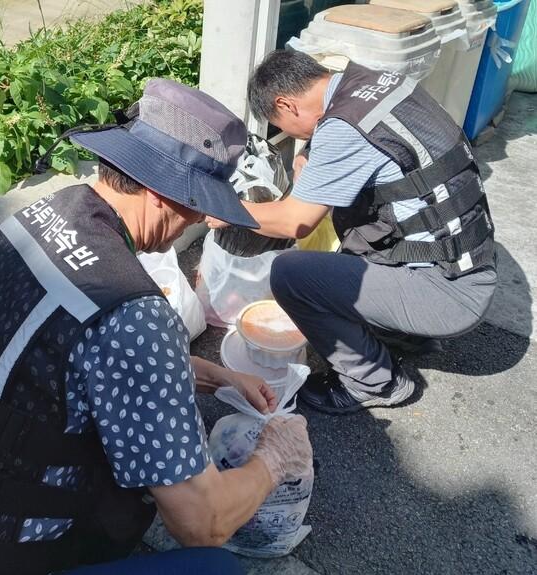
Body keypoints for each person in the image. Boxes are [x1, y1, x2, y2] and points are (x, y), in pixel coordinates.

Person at [0, 78, 311, 575]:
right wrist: (275, 458)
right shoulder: (135, 316)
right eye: (199, 202)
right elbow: (202, 522)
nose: (203, 219)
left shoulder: (34, 220)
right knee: (214, 570)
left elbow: (73, 363)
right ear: (159, 193)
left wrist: (216, 375)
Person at [207, 50, 497, 415]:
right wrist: (312, 152)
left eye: (283, 125)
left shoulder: (343, 129)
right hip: (470, 263)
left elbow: (295, 221)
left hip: (451, 295)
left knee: (292, 275)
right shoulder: (379, 83)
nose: (293, 136)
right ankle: (402, 334)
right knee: (348, 232)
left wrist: (227, 209)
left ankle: (375, 382)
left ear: (286, 104)